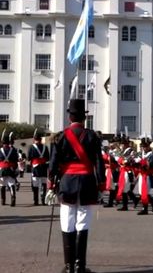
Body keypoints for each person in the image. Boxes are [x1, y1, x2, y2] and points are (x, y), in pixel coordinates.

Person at [47, 99, 105, 273]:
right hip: (87, 182)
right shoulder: (93, 136)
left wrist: (51, 185)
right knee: (83, 222)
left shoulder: (60, 136)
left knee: (67, 221)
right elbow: (99, 163)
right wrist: (101, 185)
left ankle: (69, 266)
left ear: (69, 117)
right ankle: (80, 266)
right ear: (84, 118)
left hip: (67, 182)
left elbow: (53, 164)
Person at [116, 133, 139, 211]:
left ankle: (125, 205)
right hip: (123, 170)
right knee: (125, 188)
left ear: (125, 144)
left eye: (122, 144)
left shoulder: (131, 151)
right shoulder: (123, 151)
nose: (121, 145)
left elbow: (133, 160)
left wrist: (125, 161)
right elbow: (119, 160)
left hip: (128, 170)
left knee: (124, 188)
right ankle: (134, 200)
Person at [136, 136, 153, 215]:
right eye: (143, 147)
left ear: (149, 146)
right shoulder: (141, 153)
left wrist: (143, 164)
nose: (144, 148)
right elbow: (137, 161)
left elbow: (151, 164)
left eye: (145, 147)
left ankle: (145, 209)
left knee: (144, 192)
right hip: (142, 174)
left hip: (148, 175)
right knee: (141, 192)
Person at [28, 129, 50, 205]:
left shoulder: (31, 147)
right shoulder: (45, 147)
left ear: (34, 139)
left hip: (35, 168)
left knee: (35, 185)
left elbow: (29, 158)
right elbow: (48, 158)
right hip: (43, 167)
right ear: (40, 139)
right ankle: (43, 200)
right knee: (44, 184)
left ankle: (36, 201)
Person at [0, 130, 18, 207]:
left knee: (2, 186)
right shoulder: (13, 150)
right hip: (11, 169)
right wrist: (14, 168)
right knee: (12, 185)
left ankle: (3, 200)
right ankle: (13, 200)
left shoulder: (0, 150)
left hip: (2, 169)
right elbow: (15, 160)